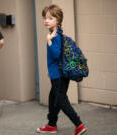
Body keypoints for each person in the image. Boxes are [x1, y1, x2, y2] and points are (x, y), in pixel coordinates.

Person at [36, 5, 87, 135]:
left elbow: (56, 54)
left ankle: (79, 125)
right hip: (57, 73)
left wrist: (48, 41)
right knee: (53, 98)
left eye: (50, 18)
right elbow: (57, 59)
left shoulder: (55, 36)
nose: (46, 20)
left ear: (57, 20)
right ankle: (51, 125)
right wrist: (50, 70)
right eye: (45, 18)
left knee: (61, 101)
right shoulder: (57, 34)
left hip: (59, 76)